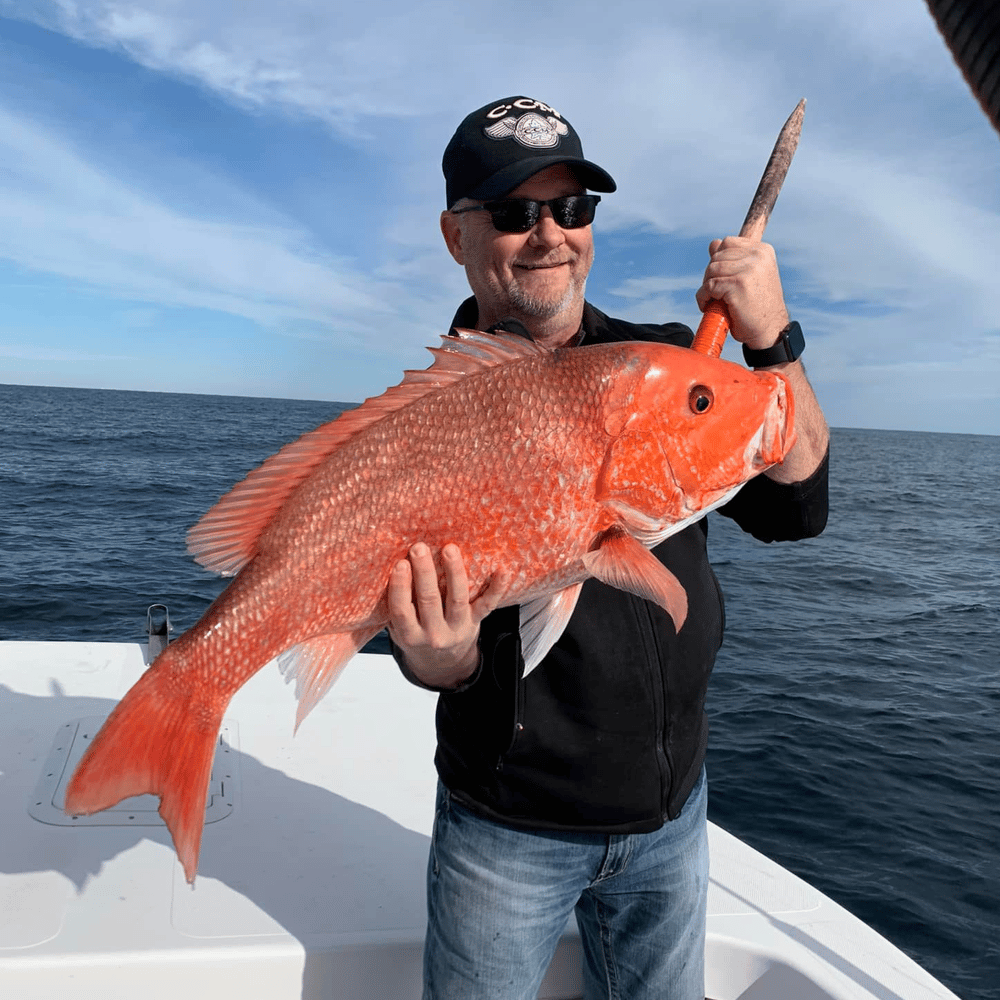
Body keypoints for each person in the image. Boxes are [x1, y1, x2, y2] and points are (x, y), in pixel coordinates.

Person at [386, 95, 830, 1000]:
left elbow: (799, 503)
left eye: (572, 209)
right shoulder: (428, 426)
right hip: (504, 837)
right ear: (454, 235)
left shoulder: (666, 365)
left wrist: (771, 340)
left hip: (674, 822)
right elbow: (435, 657)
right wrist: (439, 658)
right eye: (513, 212)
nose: (549, 234)